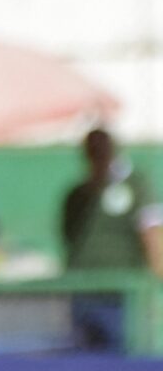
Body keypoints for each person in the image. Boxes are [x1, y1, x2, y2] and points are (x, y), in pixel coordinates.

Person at [59, 127, 163, 348]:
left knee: (123, 353)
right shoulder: (78, 195)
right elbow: (69, 238)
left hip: (122, 295)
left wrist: (156, 284)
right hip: (83, 292)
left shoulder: (137, 184)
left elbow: (152, 234)